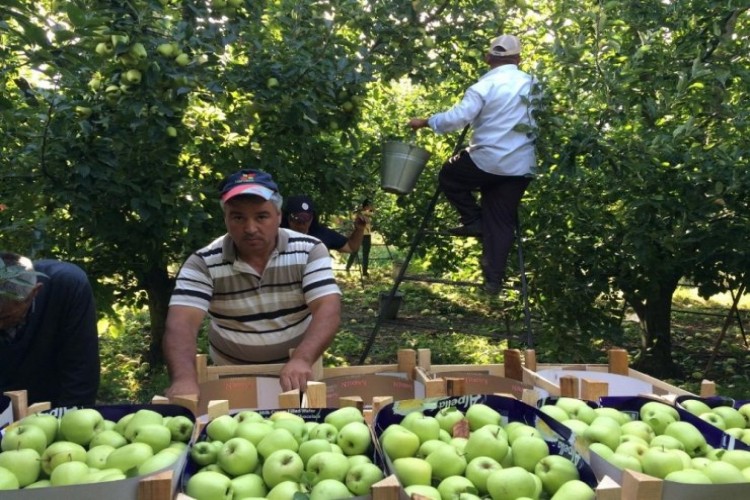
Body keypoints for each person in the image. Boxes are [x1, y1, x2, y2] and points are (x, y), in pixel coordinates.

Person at [162, 169, 342, 396]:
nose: (250, 228)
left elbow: (327, 307)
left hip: (298, 373)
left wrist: (302, 358)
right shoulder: (203, 263)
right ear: (225, 218)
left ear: (278, 216)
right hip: (232, 377)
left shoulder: (309, 250)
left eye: (261, 216)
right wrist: (183, 380)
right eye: (238, 217)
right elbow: (182, 323)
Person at [408, 34, 538, 295]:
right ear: (519, 59)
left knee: (449, 174)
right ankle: (493, 279)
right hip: (520, 166)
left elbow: (458, 118)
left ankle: (472, 219)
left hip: (487, 159)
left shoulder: (484, 86)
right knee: (501, 221)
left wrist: (425, 122)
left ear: (488, 58)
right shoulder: (533, 85)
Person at [0, 252, 100, 407]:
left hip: (50, 408)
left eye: (4, 318)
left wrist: (68, 421)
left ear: (34, 292)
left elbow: (81, 369)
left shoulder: (67, 286)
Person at [282, 194, 367, 254]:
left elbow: (351, 247)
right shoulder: (276, 236)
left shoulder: (322, 234)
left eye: (306, 218)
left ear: (312, 218)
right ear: (287, 217)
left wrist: (359, 229)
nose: (302, 224)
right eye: (297, 218)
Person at [345, 199, 374, 276]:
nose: (371, 207)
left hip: (367, 236)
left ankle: (364, 272)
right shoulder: (361, 214)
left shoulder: (368, 214)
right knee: (354, 252)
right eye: (370, 205)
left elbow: (371, 215)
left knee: (366, 254)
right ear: (366, 206)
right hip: (359, 235)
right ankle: (347, 268)